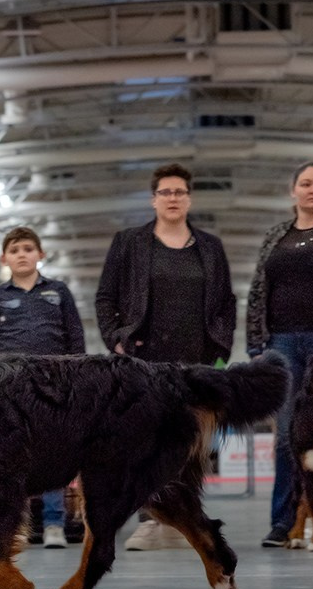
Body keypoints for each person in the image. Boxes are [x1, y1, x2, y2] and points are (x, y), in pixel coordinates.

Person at [95, 162, 236, 550]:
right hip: (146, 359)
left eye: (179, 192)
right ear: (153, 199)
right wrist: (117, 341)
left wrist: (220, 351)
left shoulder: (210, 247)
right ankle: (149, 519)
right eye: (165, 192)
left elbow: (226, 302)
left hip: (196, 360)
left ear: (189, 198)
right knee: (146, 442)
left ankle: (185, 518)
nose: (173, 198)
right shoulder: (129, 243)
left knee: (191, 442)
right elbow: (106, 297)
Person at [0, 225, 86, 549]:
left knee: (53, 454)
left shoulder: (59, 291)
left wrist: (75, 379)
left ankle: (54, 524)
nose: (21, 254)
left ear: (41, 255)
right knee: (12, 457)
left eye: (27, 248)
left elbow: (75, 336)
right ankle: (18, 526)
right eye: (15, 250)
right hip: (9, 386)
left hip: (54, 385)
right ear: (4, 259)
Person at [246, 160, 313, 549]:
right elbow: (258, 292)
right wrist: (256, 346)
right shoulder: (276, 235)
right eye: (306, 183)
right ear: (293, 191)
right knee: (286, 437)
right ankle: (283, 522)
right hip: (282, 344)